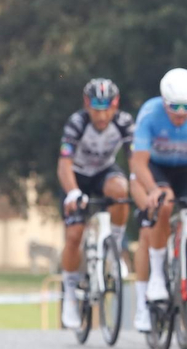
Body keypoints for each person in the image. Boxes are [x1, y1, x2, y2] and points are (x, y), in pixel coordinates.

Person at [129, 68, 187, 333]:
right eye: (174, 107)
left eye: (186, 107)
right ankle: (156, 277)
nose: (180, 113)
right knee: (164, 204)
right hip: (156, 169)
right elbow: (138, 162)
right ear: (163, 102)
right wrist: (153, 189)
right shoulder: (150, 113)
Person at [58, 79, 135, 329]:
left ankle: (114, 249)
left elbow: (134, 159)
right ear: (86, 106)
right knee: (74, 234)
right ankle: (70, 292)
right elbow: (64, 164)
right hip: (77, 175)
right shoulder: (77, 123)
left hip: (103, 173)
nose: (101, 116)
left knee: (121, 190)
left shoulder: (123, 122)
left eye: (106, 109)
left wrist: (137, 186)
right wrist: (72, 193)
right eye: (96, 109)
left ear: (115, 106)